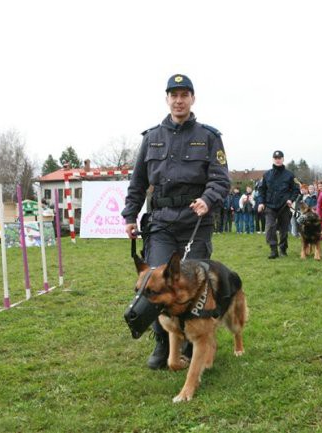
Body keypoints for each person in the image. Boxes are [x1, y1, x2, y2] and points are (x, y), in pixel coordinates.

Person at [121, 74, 230, 369]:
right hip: (162, 223)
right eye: (174, 95)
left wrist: (207, 199)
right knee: (155, 282)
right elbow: (138, 182)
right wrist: (130, 215)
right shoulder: (152, 137)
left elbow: (221, 179)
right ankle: (162, 342)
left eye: (184, 94)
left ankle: (192, 342)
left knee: (191, 286)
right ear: (167, 99)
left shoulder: (209, 137)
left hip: (196, 221)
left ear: (193, 98)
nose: (179, 100)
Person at [256, 150, 300, 259]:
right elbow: (261, 190)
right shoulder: (267, 175)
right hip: (270, 206)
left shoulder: (289, 175)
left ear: (283, 159)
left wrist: (291, 199)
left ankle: (283, 249)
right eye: (276, 158)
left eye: (280, 158)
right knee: (270, 228)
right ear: (273, 159)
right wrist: (261, 202)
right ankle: (273, 250)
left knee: (284, 229)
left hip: (284, 205)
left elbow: (296, 190)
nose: (278, 160)